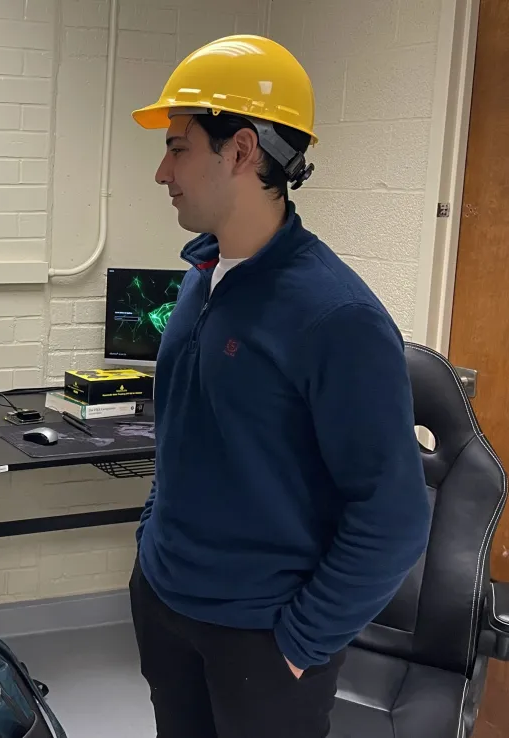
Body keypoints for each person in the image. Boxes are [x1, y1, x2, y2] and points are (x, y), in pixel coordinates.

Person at [127, 35, 431, 737]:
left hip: (264, 639)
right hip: (167, 605)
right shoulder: (201, 278)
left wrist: (301, 642)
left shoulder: (335, 316)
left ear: (240, 150)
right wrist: (151, 547)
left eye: (178, 147)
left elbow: (394, 516)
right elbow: (184, 435)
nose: (162, 172)